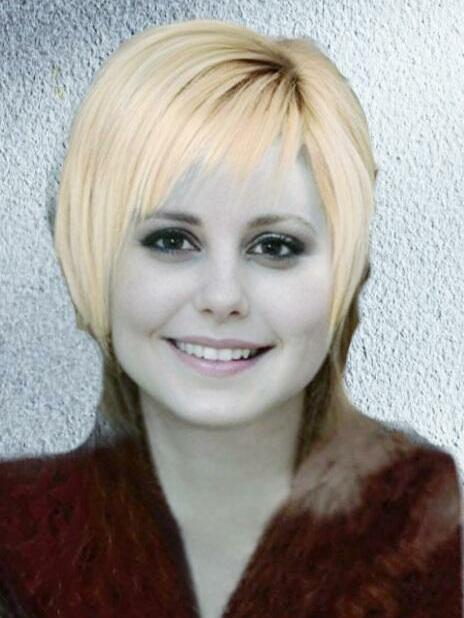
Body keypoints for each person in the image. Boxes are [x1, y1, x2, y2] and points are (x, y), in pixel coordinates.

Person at [0, 18, 461, 618]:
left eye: (274, 246)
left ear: (345, 272)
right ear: (93, 257)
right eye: (170, 240)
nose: (222, 297)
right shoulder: (13, 536)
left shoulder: (423, 524)